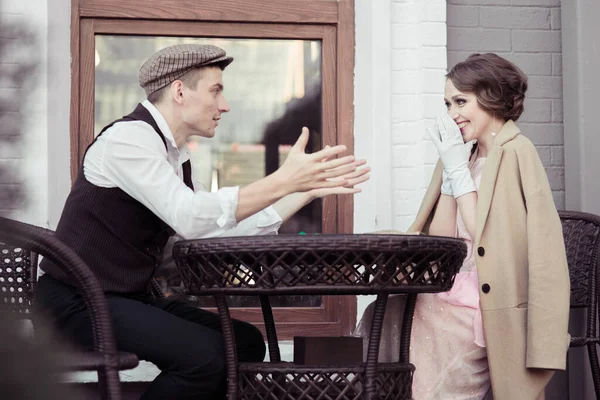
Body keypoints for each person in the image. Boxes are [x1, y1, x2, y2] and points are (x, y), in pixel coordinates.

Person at [34, 44, 369, 400]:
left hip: (123, 300)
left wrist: (303, 192)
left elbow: (211, 229)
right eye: (216, 90)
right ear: (180, 91)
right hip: (74, 304)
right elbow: (191, 216)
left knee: (244, 343)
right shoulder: (128, 140)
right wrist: (284, 180)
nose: (224, 105)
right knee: (205, 359)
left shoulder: (174, 157)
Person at [355, 53, 570, 400]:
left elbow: (486, 235)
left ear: (491, 98)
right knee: (383, 314)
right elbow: (445, 241)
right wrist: (451, 176)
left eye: (460, 101)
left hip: (489, 297)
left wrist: (456, 170)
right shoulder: (464, 157)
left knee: (431, 323)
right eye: (447, 103)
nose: (452, 113)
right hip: (452, 287)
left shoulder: (518, 152)